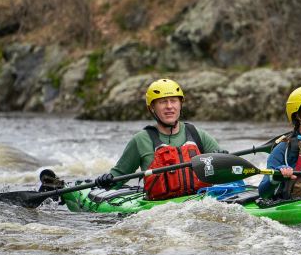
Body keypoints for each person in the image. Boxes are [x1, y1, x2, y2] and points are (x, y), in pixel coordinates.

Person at [94, 78, 225, 199]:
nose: (169, 106)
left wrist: (222, 158)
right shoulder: (141, 140)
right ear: (152, 108)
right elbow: (119, 176)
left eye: (173, 101)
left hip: (201, 201)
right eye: (163, 102)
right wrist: (106, 180)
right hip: (158, 208)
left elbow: (226, 171)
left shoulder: (198, 135)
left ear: (180, 104)